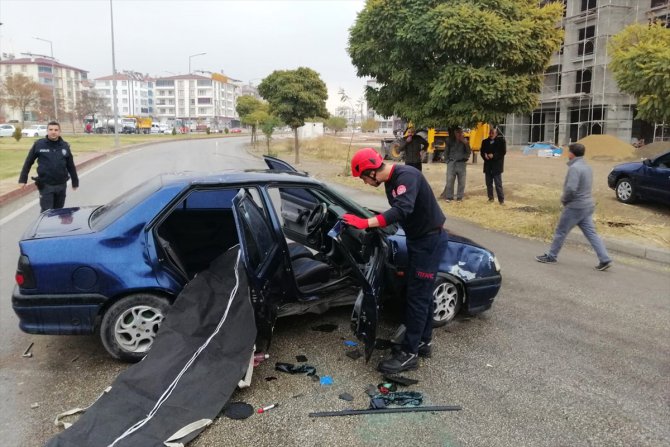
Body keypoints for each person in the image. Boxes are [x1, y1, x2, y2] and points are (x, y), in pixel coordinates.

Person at [343, 147, 448, 374]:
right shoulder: (392, 181)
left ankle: (409, 355)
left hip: (429, 242)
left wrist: (366, 222)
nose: (364, 182)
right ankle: (424, 342)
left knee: (417, 298)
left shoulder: (406, 176)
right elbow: (399, 211)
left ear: (371, 171)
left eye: (363, 178)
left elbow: (401, 210)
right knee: (422, 293)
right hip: (419, 240)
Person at [536, 143, 612, 271]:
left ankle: (551, 256)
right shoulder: (587, 167)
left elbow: (571, 188)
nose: (567, 153)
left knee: (561, 231)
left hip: (575, 206)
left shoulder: (574, 168)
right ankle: (604, 259)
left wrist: (564, 200)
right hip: (587, 205)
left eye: (568, 151)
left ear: (572, 154)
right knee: (591, 233)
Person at [18, 121, 79, 212]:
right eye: (50, 129)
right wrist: (23, 179)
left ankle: (55, 226)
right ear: (47, 131)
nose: (53, 132)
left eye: (56, 130)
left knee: (59, 212)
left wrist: (75, 181)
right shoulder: (39, 144)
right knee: (47, 212)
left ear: (59, 132)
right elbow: (28, 162)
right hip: (46, 185)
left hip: (61, 185)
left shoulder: (65, 146)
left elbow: (70, 165)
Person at [440, 128, 471, 202]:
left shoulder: (465, 141)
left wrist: (465, 143)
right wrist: (447, 161)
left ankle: (459, 197)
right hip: (452, 163)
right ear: (454, 133)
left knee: (462, 181)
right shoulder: (450, 141)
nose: (459, 134)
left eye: (460, 132)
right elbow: (446, 151)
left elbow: (469, 152)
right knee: (450, 180)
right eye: (457, 133)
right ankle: (449, 197)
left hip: (461, 163)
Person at [481, 127, 506, 204]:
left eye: (493, 133)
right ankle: (490, 198)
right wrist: (484, 155)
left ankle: (501, 200)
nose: (491, 134)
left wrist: (494, 155)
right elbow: (482, 151)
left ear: (496, 134)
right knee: (488, 183)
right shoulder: (485, 141)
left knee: (498, 184)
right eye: (490, 133)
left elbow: (503, 152)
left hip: (497, 166)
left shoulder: (501, 141)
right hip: (488, 165)